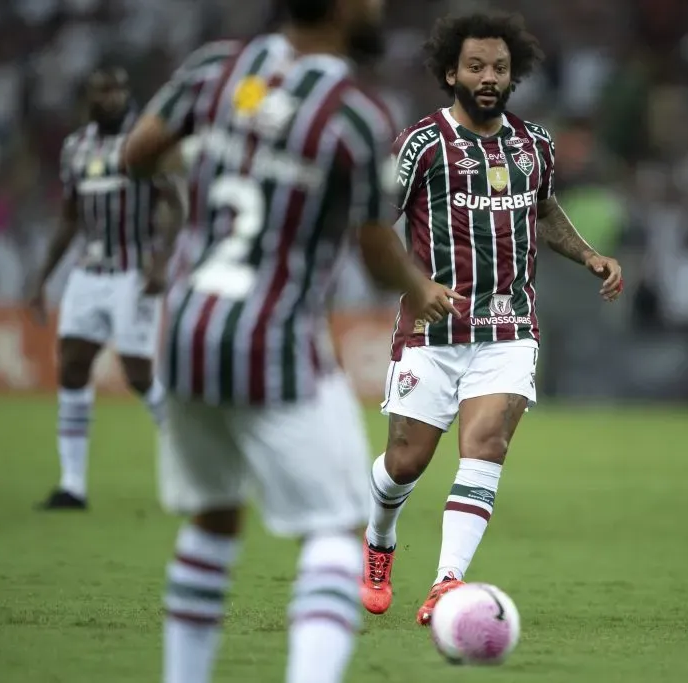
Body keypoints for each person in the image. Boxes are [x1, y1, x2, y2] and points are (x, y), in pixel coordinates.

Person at [121, 0, 459, 681]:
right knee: (335, 534)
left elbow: (137, 155)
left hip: (186, 329)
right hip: (271, 338)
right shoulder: (357, 115)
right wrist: (421, 288)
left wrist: (224, 170)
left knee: (212, 521)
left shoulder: (216, 68)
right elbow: (372, 250)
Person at [360, 11, 624, 625]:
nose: (488, 77)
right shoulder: (421, 145)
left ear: (515, 77)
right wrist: (414, 284)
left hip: (508, 329)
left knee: (486, 444)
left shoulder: (534, 146)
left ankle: (447, 582)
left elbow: (545, 208)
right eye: (476, 66)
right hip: (432, 330)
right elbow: (376, 226)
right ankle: (379, 541)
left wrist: (587, 254)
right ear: (450, 72)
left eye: (499, 69)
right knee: (406, 462)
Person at [29, 65, 183, 511]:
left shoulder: (144, 142)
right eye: (103, 91)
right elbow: (69, 216)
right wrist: (42, 278)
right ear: (90, 97)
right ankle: (72, 484)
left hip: (134, 272)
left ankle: (190, 465)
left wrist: (160, 261)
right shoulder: (75, 148)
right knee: (73, 366)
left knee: (138, 374)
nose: (111, 98)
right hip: (88, 272)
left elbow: (176, 204)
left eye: (118, 89)